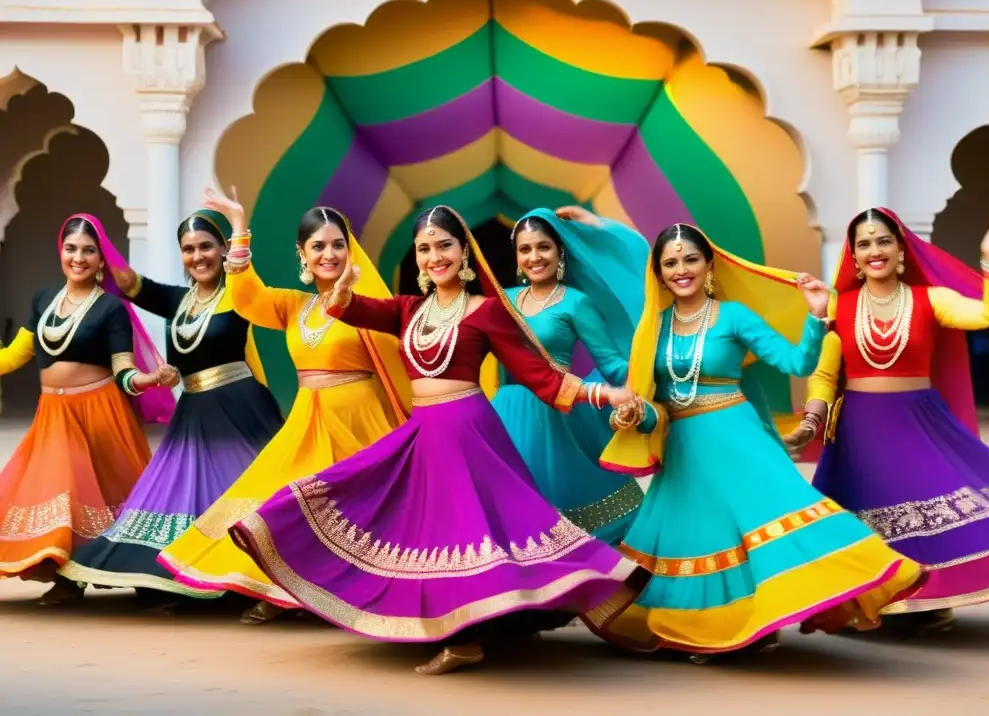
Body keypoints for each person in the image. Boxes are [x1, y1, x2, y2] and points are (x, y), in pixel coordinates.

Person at [229, 205, 645, 676]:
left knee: (469, 534)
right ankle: (458, 630)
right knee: (393, 520)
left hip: (469, 435)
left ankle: (467, 639)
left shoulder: (487, 311)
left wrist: (600, 393)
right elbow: (352, 309)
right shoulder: (408, 310)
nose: (434, 257)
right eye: (424, 249)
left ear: (464, 251)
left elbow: (540, 376)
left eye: (444, 245)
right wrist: (342, 289)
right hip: (423, 434)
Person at [584, 223, 923, 663]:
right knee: (702, 537)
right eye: (670, 262)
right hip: (686, 451)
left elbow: (796, 361)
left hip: (738, 440)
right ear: (660, 273)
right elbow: (654, 401)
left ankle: (760, 623)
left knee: (766, 523)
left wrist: (817, 316)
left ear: (709, 266)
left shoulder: (734, 316)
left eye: (690, 260)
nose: (681, 269)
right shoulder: (654, 327)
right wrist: (633, 412)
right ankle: (717, 630)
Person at [158, 192, 411, 625]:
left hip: (360, 421)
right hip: (308, 422)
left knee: (367, 513)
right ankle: (282, 590)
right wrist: (238, 224)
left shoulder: (368, 307)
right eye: (318, 246)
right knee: (276, 505)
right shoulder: (295, 306)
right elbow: (247, 298)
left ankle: (356, 595)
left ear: (350, 252)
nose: (328, 254)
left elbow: (401, 366)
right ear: (303, 255)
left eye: (337, 245)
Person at [786, 207, 989, 633]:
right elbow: (824, 375)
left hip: (918, 423)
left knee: (931, 505)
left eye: (883, 241)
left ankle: (927, 599)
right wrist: (810, 422)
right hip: (859, 430)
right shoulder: (838, 305)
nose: (874, 251)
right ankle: (875, 603)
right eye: (863, 244)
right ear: (853, 256)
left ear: (900, 250)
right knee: (868, 513)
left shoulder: (930, 298)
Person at [59, 209, 283, 610]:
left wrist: (236, 225)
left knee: (245, 499)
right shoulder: (177, 300)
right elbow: (128, 283)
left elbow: (240, 267)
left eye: (206, 247)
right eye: (188, 249)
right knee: (178, 501)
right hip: (194, 412)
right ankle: (187, 577)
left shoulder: (240, 294)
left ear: (221, 249)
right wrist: (92, 232)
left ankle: (245, 581)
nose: (198, 256)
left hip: (239, 410)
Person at [0, 214, 177, 603]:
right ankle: (66, 577)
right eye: (71, 248)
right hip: (53, 414)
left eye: (88, 251)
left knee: (111, 498)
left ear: (101, 261)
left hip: (99, 413)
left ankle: (128, 577)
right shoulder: (44, 300)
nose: (78, 257)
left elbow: (123, 370)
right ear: (60, 251)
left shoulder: (110, 308)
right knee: (58, 493)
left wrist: (149, 380)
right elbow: (15, 355)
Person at [483, 206, 646, 544]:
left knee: (555, 517)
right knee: (502, 518)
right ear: (516, 257)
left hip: (555, 413)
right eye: (525, 249)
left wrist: (641, 375)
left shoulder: (575, 302)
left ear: (560, 252)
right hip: (504, 413)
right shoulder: (502, 301)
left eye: (543, 246)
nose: (535, 256)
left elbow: (611, 362)